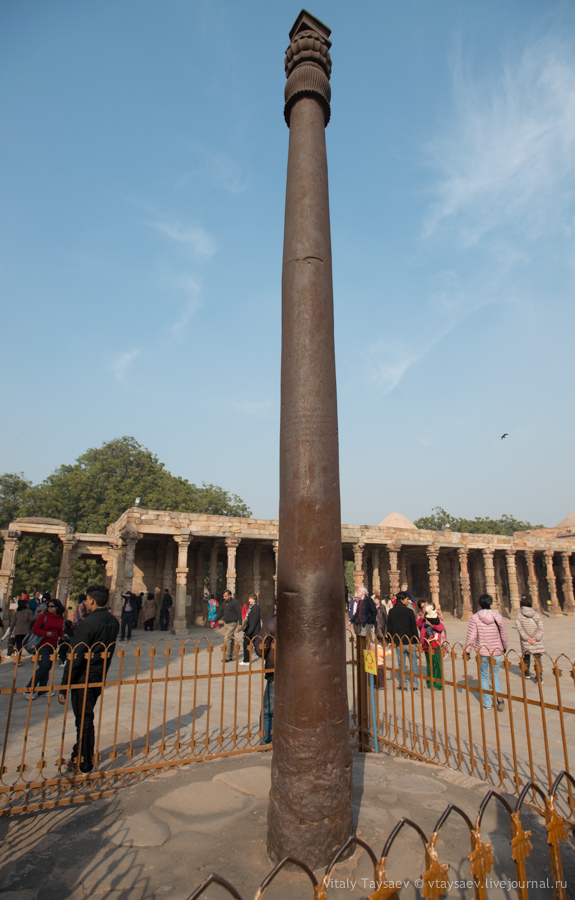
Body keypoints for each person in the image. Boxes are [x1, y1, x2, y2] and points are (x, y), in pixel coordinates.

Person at [58, 584, 119, 773]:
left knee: (84, 720)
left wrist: (64, 686)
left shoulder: (88, 623)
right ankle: (78, 753)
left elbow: (75, 657)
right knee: (85, 717)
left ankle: (84, 762)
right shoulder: (112, 621)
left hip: (83, 677)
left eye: (86, 599)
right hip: (99, 675)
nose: (85, 602)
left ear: (92, 600)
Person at [465, 594, 508, 711]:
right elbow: (503, 633)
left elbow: (471, 636)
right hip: (496, 651)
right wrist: (505, 647)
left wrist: (467, 650)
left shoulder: (475, 617)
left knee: (484, 676)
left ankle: (488, 703)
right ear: (491, 603)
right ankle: (499, 696)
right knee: (495, 675)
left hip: (482, 652)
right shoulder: (497, 616)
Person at [23, 600, 64, 699]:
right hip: (43, 644)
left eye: (52, 606)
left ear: (57, 608)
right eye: (48, 606)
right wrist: (46, 633)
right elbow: (35, 629)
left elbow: (59, 631)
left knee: (47, 667)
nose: (49, 608)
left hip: (53, 645)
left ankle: (42, 689)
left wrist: (64, 635)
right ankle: (29, 688)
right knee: (44, 666)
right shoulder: (43, 617)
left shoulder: (60, 618)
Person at [386, 590, 420, 691]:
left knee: (402, 664)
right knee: (413, 663)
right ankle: (414, 685)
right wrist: (417, 641)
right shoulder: (409, 611)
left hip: (398, 642)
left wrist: (389, 641)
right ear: (401, 600)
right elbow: (414, 627)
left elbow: (389, 628)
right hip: (410, 641)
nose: (408, 601)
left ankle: (404, 685)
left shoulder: (392, 611)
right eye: (406, 599)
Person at [254, 608, 276, 745]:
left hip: (275, 672)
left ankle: (265, 742)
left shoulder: (272, 623)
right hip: (297, 675)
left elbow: (260, 648)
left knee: (268, 711)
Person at [515, 596, 544, 682]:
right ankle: (539, 676)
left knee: (526, 656)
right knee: (538, 658)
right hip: (537, 640)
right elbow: (541, 628)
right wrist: (536, 638)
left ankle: (526, 673)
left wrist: (527, 638)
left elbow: (519, 628)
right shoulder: (536, 614)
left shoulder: (519, 615)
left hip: (526, 640)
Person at [417, 603, 445, 690]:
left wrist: (431, 625)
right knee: (429, 664)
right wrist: (423, 616)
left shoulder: (435, 616)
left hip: (435, 644)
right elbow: (418, 624)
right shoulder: (422, 616)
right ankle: (429, 682)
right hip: (426, 643)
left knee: (437, 663)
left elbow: (441, 627)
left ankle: (437, 684)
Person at [216, 590, 242, 662]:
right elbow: (221, 612)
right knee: (231, 639)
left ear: (230, 596)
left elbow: (238, 612)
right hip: (226, 623)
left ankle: (227, 656)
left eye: (225, 596)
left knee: (227, 638)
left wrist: (240, 623)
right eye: (223, 596)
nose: (224, 597)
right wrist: (215, 621)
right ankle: (233, 655)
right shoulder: (225, 603)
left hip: (232, 623)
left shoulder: (235, 602)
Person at [240, 594, 261, 665]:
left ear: (254, 600)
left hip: (254, 630)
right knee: (245, 643)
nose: (249, 600)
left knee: (257, 645)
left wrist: (251, 630)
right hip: (249, 629)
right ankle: (246, 660)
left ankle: (265, 657)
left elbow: (255, 620)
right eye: (249, 599)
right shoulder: (250, 607)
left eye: (250, 599)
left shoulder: (256, 607)